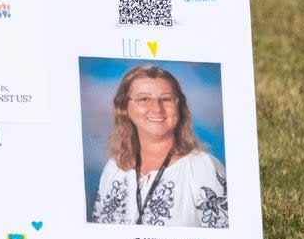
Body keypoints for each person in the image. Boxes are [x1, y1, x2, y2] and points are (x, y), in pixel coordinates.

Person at [91, 64, 227, 228]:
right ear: (124, 107)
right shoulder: (114, 167)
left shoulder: (202, 167)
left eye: (166, 99)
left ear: (179, 107)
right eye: (144, 99)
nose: (157, 108)